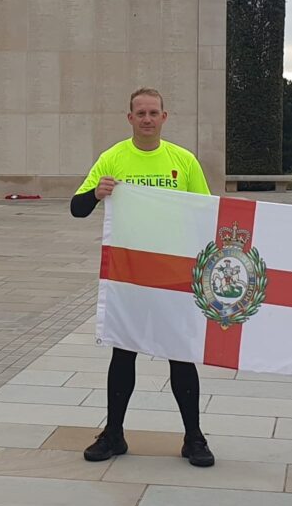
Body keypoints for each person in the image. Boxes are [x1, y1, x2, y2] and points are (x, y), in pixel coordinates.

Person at [70, 87, 215, 466]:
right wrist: (96, 194)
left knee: (181, 357)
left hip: (173, 275)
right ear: (130, 118)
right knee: (123, 353)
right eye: (140, 113)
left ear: (164, 117)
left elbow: (205, 214)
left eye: (154, 112)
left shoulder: (183, 161)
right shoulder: (113, 158)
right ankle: (114, 433)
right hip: (129, 276)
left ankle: (194, 437)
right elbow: (76, 208)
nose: (147, 119)